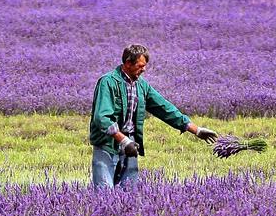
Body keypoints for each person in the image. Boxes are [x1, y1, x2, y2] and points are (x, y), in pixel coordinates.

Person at [89, 44, 217, 188]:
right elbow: (102, 118)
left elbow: (164, 108)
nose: (144, 69)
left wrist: (196, 130)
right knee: (103, 191)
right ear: (128, 63)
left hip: (130, 143)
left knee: (129, 193)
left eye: (145, 66)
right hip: (107, 144)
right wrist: (123, 141)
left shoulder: (141, 85)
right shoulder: (108, 82)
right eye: (140, 66)